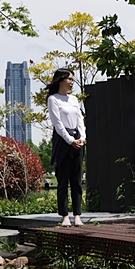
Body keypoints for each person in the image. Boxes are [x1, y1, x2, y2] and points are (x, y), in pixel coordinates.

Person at [46, 69, 86, 227]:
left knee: (76, 181)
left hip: (77, 141)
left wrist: (82, 138)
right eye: (69, 79)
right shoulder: (53, 99)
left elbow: (80, 120)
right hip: (63, 141)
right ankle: (64, 216)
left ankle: (77, 215)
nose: (71, 82)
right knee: (63, 181)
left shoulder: (74, 99)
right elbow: (58, 124)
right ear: (60, 80)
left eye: (72, 79)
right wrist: (70, 141)